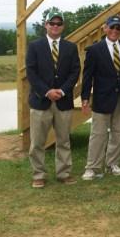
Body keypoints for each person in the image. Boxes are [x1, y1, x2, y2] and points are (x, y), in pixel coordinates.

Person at [26, 11, 80, 188]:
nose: (55, 26)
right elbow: (31, 73)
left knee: (63, 140)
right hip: (41, 101)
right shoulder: (34, 46)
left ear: (63, 26)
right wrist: (47, 91)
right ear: (46, 25)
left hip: (63, 102)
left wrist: (63, 91)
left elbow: (75, 72)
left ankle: (63, 173)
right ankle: (38, 175)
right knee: (37, 142)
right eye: (52, 23)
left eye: (59, 23)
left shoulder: (71, 47)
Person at [81, 16, 120, 181]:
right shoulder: (95, 50)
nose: (115, 31)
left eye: (118, 28)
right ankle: (92, 167)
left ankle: (113, 164)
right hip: (102, 98)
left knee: (119, 133)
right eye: (112, 27)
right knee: (98, 134)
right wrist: (85, 97)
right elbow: (87, 76)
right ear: (105, 28)